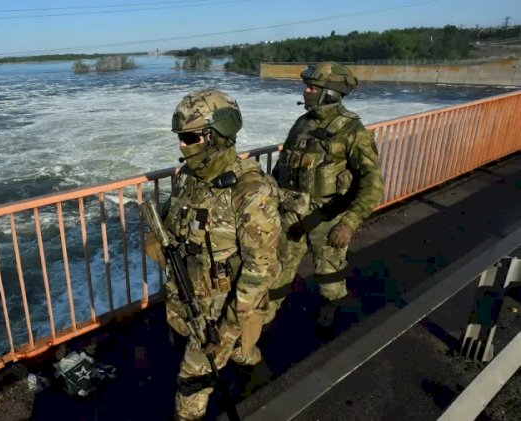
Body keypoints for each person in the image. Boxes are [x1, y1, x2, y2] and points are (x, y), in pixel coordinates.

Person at [145, 89, 281, 420]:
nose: (182, 145)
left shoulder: (249, 191)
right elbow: (174, 224)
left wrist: (228, 330)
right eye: (181, 137)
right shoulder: (190, 179)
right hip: (188, 297)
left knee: (191, 384)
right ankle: (260, 375)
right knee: (239, 355)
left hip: (221, 315)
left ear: (216, 136)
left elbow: (261, 269)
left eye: (190, 137)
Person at [270, 61, 384, 328]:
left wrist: (349, 223)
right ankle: (265, 321)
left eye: (313, 87)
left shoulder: (352, 131)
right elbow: (282, 166)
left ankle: (331, 307)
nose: (306, 92)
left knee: (329, 275)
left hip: (328, 217)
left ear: (330, 93)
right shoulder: (302, 123)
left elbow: (372, 182)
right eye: (307, 87)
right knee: (278, 271)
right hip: (292, 215)